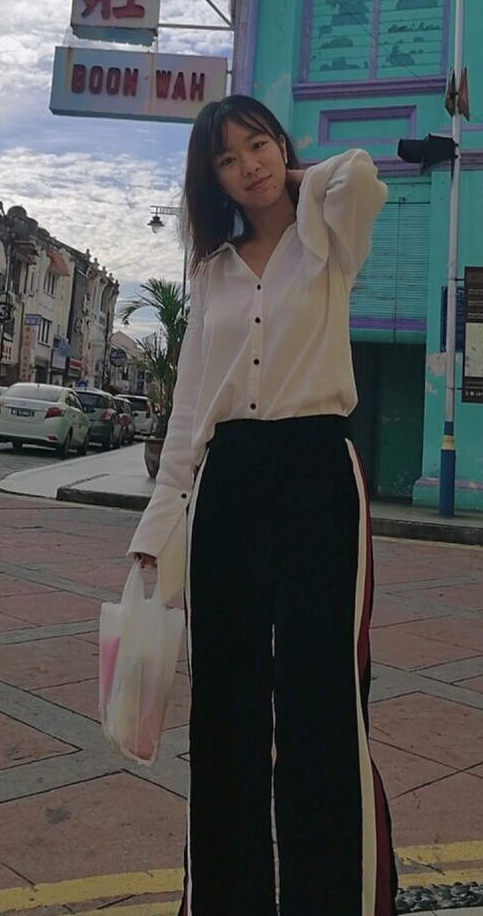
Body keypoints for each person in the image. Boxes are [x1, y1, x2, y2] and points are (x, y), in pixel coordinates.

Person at [129, 94, 398, 916]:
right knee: (226, 700)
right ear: (210, 182)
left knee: (324, 695)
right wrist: (157, 531)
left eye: (259, 145)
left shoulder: (329, 236)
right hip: (231, 480)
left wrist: (298, 177)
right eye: (227, 159)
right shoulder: (211, 273)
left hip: (319, 471)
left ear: (282, 144)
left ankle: (336, 900)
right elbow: (189, 411)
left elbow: (362, 176)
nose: (249, 165)